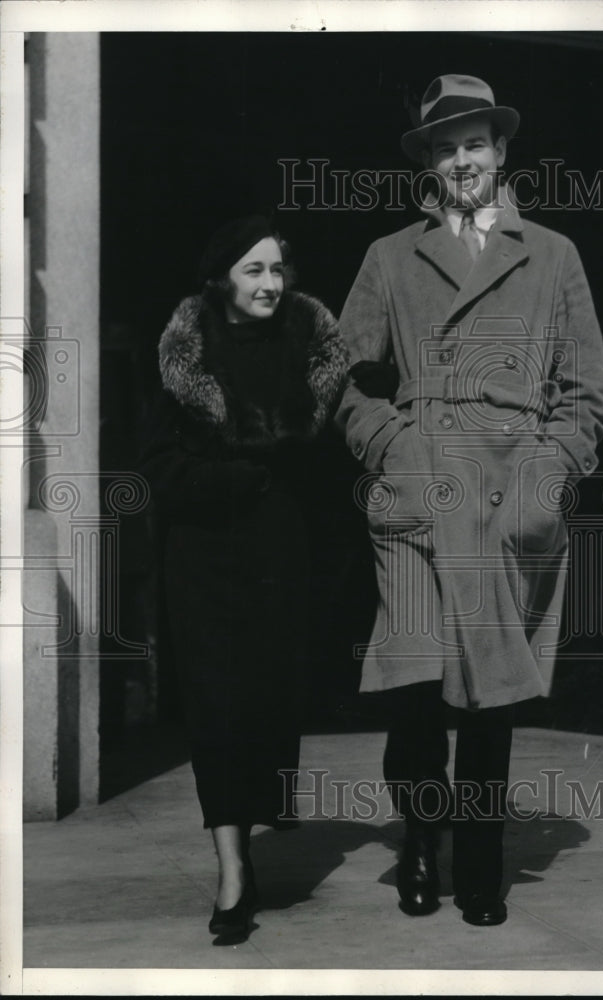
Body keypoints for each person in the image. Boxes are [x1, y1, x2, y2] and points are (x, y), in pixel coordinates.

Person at [336, 74, 603, 926]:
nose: (463, 159)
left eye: (476, 143)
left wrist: (549, 472)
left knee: (492, 696)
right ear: (428, 159)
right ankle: (422, 846)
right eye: (446, 146)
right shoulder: (390, 256)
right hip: (422, 493)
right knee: (419, 688)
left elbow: (587, 392)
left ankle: (482, 867)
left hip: (509, 490)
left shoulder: (554, 253)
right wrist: (390, 445)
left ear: (502, 153)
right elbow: (337, 377)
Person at [140, 214, 348, 944]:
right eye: (254, 269)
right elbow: (156, 465)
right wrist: (228, 481)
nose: (270, 283)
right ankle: (232, 872)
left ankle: (255, 839)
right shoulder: (185, 353)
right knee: (216, 710)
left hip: (281, 559)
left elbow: (329, 465)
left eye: (278, 269)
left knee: (266, 705)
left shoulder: (309, 347)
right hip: (202, 559)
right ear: (221, 277)